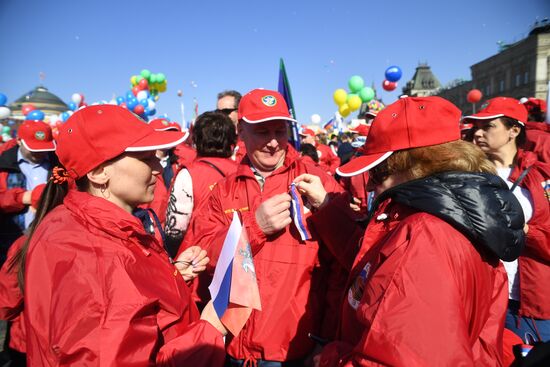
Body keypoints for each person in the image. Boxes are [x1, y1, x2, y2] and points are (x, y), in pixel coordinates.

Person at [294, 96, 525, 366]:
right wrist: (326, 207)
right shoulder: (456, 219)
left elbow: (400, 358)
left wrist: (331, 357)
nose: (369, 186)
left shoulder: (427, 235)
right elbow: (376, 267)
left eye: (378, 172)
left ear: (416, 165)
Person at [20, 105, 226, 366]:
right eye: (145, 157)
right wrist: (209, 329)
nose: (156, 167)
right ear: (98, 172)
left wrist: (171, 278)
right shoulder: (92, 252)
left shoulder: (77, 223)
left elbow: (129, 304)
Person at [182, 89, 345, 366]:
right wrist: (253, 226)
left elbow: (341, 267)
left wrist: (325, 341)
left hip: (295, 352)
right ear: (240, 132)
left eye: (279, 131)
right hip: (234, 349)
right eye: (261, 131)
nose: (273, 142)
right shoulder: (224, 190)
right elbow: (203, 254)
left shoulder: (314, 182)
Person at [465, 97, 550, 343]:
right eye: (475, 127)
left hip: (533, 307)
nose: (478, 133)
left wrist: (523, 229)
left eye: (488, 126)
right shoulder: (466, 176)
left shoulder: (540, 178)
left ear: (513, 130)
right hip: (483, 299)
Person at [165, 111, 238, 259]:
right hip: (237, 255)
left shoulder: (189, 174)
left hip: (198, 259)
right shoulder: (242, 171)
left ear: (196, 139)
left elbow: (175, 229)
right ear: (232, 140)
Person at [0, 120, 56, 265]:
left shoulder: (58, 164)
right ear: (19, 141)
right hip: (10, 239)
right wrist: (22, 198)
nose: (40, 153)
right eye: (34, 149)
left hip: (49, 239)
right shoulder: (3, 164)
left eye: (44, 148)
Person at [217, 90, 247, 162]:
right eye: (218, 112)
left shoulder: (250, 137)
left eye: (226, 111)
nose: (221, 115)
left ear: (239, 110)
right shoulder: (215, 139)